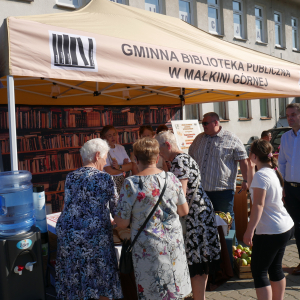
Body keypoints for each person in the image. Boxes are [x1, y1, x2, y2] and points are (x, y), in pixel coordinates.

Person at [115, 138, 192, 300]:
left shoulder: (132, 183)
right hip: (173, 245)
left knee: (153, 293)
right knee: (175, 293)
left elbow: (122, 223)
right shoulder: (171, 178)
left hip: (148, 248)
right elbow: (184, 211)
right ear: (157, 158)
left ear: (136, 159)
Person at [156, 131, 221, 300]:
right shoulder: (184, 158)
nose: (158, 153)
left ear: (167, 145)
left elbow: (180, 196)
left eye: (159, 149)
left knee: (197, 262)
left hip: (195, 218)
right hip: (200, 214)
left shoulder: (179, 161)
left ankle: (199, 298)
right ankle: (200, 297)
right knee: (200, 262)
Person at [55, 138, 123, 300]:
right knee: (102, 283)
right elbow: (117, 211)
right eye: (105, 156)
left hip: (69, 236)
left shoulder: (71, 177)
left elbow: (74, 206)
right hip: (93, 237)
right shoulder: (104, 178)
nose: (106, 160)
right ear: (97, 155)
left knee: (76, 283)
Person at [243, 139, 294, 300]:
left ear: (253, 155)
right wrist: (251, 168)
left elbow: (257, 205)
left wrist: (249, 231)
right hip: (284, 227)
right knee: (275, 269)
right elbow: (253, 190)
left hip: (270, 231)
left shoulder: (262, 175)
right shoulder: (271, 171)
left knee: (259, 271)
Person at [188, 112, 248, 230]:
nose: (203, 125)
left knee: (226, 220)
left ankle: (229, 247)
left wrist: (246, 180)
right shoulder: (199, 139)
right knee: (203, 220)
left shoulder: (231, 138)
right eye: (202, 123)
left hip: (222, 190)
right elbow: (191, 159)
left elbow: (243, 160)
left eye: (206, 123)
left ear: (216, 122)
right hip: (201, 190)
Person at [278, 103, 300, 275]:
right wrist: (283, 186)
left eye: (293, 114)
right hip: (291, 190)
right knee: (297, 227)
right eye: (288, 115)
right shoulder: (285, 137)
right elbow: (282, 163)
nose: (290, 118)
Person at [101, 125, 138, 193]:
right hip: (110, 182)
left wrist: (119, 167)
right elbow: (109, 171)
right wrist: (123, 169)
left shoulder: (121, 148)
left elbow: (131, 165)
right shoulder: (103, 150)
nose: (113, 137)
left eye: (114, 134)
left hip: (122, 180)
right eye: (109, 136)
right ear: (104, 138)